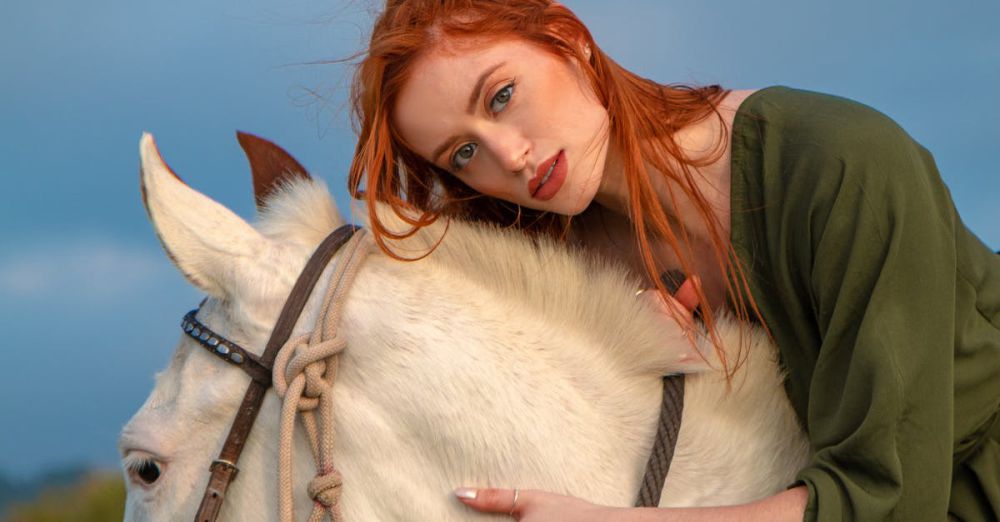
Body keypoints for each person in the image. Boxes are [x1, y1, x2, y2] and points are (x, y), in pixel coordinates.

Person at [346, 1, 1000, 520]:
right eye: (463, 153)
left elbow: (891, 499)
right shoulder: (571, 263)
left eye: (501, 96)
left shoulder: (838, 163)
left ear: (566, 40)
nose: (507, 157)